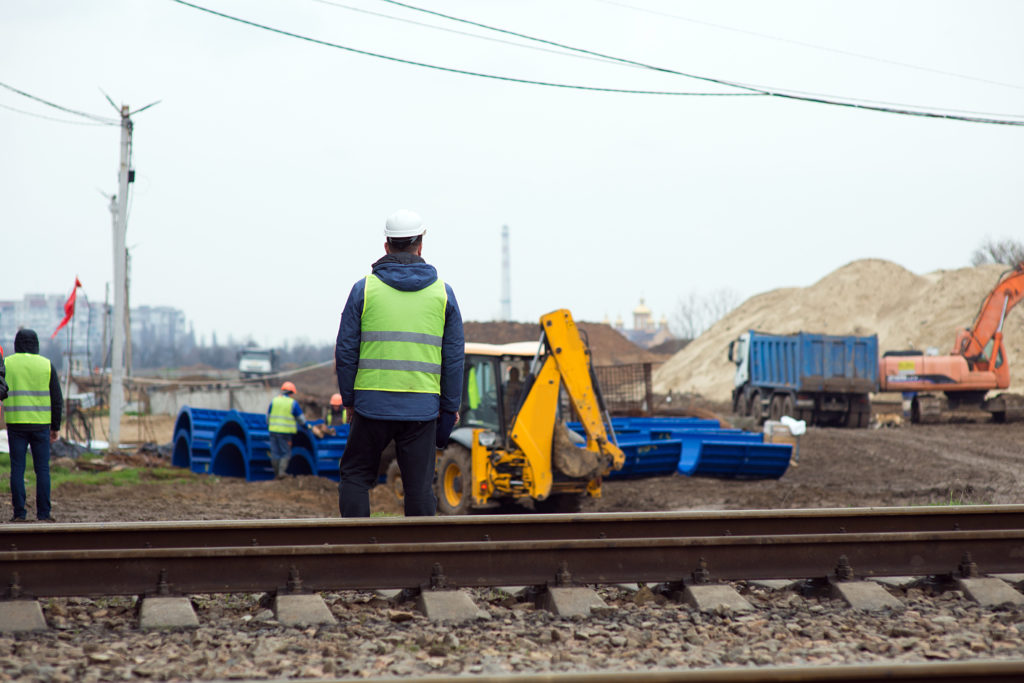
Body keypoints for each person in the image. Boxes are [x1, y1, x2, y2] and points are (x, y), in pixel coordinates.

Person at [335, 209, 464, 517]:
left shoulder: (363, 290)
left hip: (371, 404)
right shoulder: (442, 294)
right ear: (420, 245)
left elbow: (346, 350)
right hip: (421, 408)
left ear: (386, 246)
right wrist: (449, 407)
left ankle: (354, 549)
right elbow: (454, 358)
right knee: (418, 488)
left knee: (355, 476)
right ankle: (420, 559)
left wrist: (350, 400)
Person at [3, 329, 62, 522]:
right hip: (41, 425)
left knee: (17, 469)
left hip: (16, 424)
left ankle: (19, 513)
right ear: (36, 344)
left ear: (16, 343)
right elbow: (57, 399)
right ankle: (44, 514)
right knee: (42, 470)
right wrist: (55, 427)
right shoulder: (46, 365)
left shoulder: (6, 363)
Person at [266, 381, 307, 479]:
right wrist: (306, 426)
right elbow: (301, 419)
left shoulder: (274, 400)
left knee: (275, 452)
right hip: (285, 433)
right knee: (285, 453)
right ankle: (281, 473)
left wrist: (270, 426)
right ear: (291, 393)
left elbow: (267, 417)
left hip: (273, 431)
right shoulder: (292, 403)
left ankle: (276, 474)